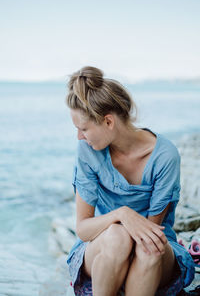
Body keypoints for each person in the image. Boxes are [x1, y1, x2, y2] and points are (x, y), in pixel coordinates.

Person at [66, 66, 195, 296]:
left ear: (108, 122)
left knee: (147, 248)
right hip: (105, 247)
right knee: (116, 236)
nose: (79, 137)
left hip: (153, 250)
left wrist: (127, 221)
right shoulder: (88, 150)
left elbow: (151, 234)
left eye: (83, 128)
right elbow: (83, 229)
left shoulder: (164, 156)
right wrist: (120, 214)